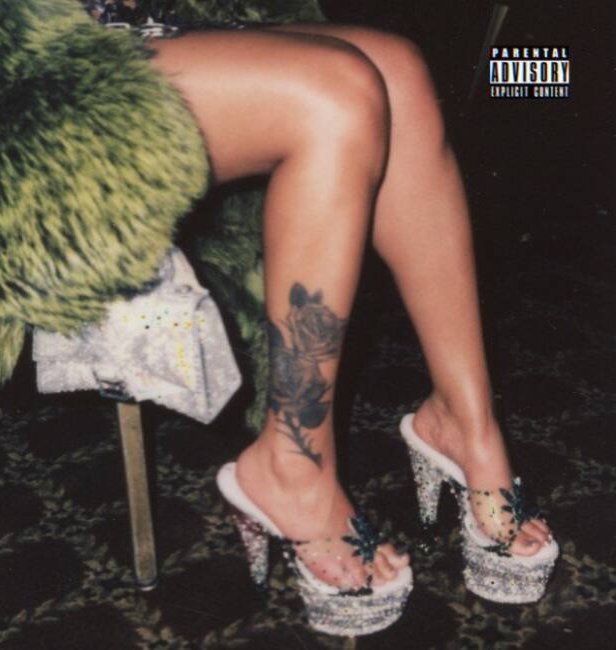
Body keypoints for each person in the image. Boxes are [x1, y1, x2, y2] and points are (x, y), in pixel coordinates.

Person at [147, 24, 558, 635]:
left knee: (397, 70)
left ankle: (465, 422)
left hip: (135, 25)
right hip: (24, 62)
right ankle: (291, 467)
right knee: (333, 94)